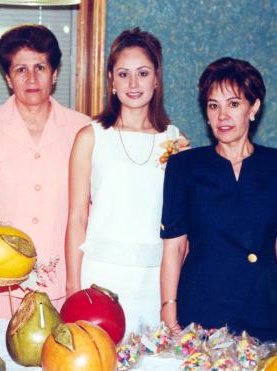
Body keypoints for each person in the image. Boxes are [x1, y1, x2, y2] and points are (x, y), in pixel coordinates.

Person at [0, 24, 90, 318]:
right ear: (9, 78)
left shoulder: (83, 129)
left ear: (55, 74)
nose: (32, 78)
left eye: (40, 67)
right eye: (21, 69)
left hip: (64, 283)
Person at [160, 57, 277, 344]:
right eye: (214, 106)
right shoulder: (184, 167)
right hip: (201, 313)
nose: (222, 116)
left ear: (254, 108)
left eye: (234, 104)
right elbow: (174, 248)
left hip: (264, 312)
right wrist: (168, 309)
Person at [65, 27, 188, 335]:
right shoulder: (90, 137)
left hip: (156, 282)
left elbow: (183, 229)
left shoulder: (177, 142)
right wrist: (73, 287)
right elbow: (77, 217)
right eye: (123, 74)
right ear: (111, 80)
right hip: (101, 277)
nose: (133, 84)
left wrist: (173, 294)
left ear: (156, 79)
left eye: (143, 73)